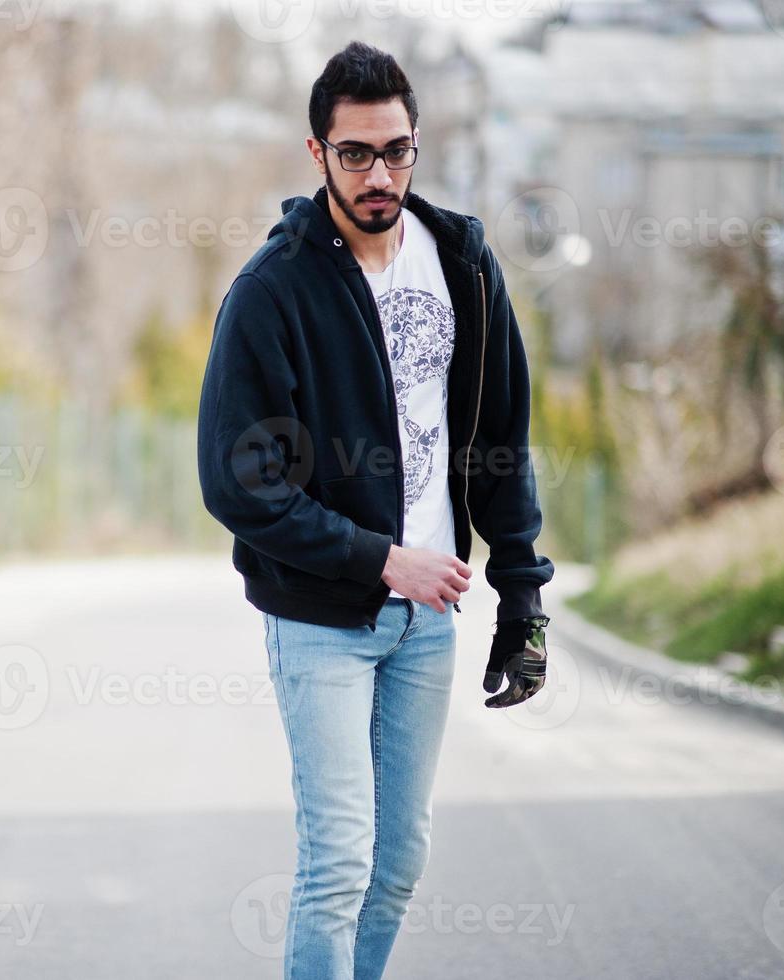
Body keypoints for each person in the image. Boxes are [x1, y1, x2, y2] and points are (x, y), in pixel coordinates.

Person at [196, 41, 555, 980]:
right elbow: (240, 483)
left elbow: (501, 442)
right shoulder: (273, 292)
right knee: (338, 865)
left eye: (394, 150)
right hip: (322, 618)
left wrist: (521, 598)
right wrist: (380, 559)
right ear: (316, 154)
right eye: (354, 153)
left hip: (426, 627)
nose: (377, 173)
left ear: (416, 145)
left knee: (397, 866)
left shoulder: (465, 265)